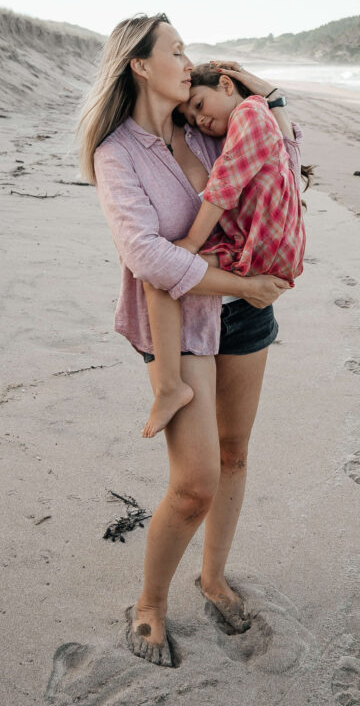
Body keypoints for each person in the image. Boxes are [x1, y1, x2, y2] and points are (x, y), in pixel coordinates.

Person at [76, 13, 304, 667]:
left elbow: (280, 155)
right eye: (174, 51)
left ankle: (212, 578)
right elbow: (147, 257)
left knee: (233, 455)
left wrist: (266, 96)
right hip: (183, 323)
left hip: (244, 315)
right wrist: (241, 284)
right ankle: (148, 603)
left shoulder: (205, 125)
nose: (188, 61)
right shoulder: (115, 153)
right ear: (140, 66)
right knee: (193, 484)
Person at [140, 63, 306, 438]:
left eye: (199, 104)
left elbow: (225, 181)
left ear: (226, 84)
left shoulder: (249, 113)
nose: (200, 120)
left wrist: (192, 243)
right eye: (192, 119)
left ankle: (169, 388)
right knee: (161, 275)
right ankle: (169, 388)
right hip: (261, 248)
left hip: (259, 246)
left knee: (165, 273)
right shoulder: (250, 120)